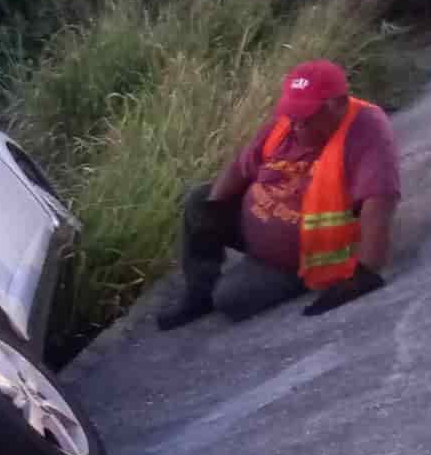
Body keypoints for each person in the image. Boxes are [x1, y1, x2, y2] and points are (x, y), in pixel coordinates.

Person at [157, 59, 401, 330]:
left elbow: (380, 199)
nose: (296, 126)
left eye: (306, 118)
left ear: (338, 104)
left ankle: (299, 280)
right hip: (255, 226)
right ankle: (197, 294)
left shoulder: (367, 130)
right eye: (293, 116)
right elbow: (240, 166)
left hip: (303, 256)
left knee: (231, 299)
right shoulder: (289, 123)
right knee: (199, 200)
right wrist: (212, 211)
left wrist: (364, 275)